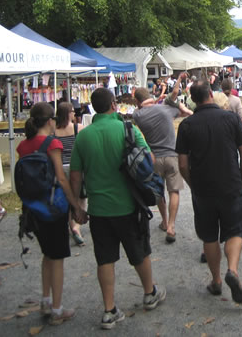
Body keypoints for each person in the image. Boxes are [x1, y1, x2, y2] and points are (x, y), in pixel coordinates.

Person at [70, 88, 166, 330]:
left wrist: (75, 208)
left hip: (99, 209)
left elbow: (75, 177)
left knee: (105, 259)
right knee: (139, 252)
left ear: (93, 108)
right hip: (128, 204)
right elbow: (150, 161)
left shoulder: (83, 136)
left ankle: (109, 310)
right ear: (114, 104)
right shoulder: (129, 130)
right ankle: (149, 292)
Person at [176, 80, 242, 304]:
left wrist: (193, 185)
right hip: (231, 184)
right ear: (211, 93)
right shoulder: (231, 119)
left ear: (192, 99)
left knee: (209, 235)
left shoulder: (187, 125)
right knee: (235, 230)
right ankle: (233, 271)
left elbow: (182, 164)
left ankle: (216, 280)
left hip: (203, 189)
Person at [17, 102, 83, 325]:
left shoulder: (24, 145)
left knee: (47, 255)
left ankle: (46, 300)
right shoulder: (51, 143)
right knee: (57, 259)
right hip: (53, 206)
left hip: (33, 206)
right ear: (49, 121)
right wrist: (75, 204)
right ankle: (57, 309)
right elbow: (61, 178)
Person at [133, 76, 192, 244]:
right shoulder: (165, 110)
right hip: (172, 155)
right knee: (174, 191)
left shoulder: (138, 115)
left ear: (137, 101)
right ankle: (172, 225)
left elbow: (141, 109)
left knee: (159, 191)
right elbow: (179, 111)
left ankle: (164, 221)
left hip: (154, 157)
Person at [54, 102, 85, 246]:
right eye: (72, 111)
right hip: (76, 166)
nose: (74, 113)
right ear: (68, 113)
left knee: (67, 196)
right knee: (81, 197)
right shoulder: (78, 128)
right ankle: (77, 226)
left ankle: (70, 224)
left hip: (60, 167)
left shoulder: (54, 131)